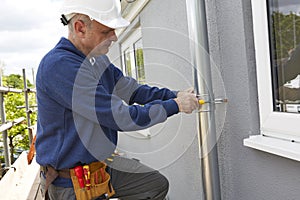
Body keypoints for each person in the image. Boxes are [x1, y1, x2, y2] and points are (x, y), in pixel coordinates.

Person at [35, 0, 199, 199]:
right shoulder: (60, 66)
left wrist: (175, 95)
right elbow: (119, 117)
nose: (114, 37)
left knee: (154, 185)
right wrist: (175, 106)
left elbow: (133, 91)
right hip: (70, 182)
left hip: (98, 169)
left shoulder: (97, 59)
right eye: (106, 32)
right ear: (80, 28)